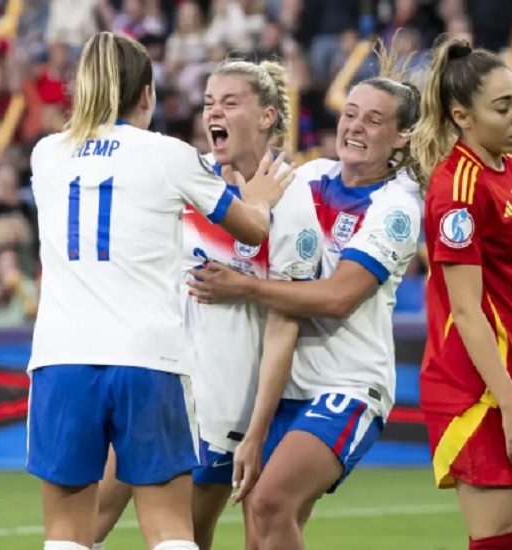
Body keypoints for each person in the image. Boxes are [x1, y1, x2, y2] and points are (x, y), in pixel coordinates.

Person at [25, 31, 291, 550]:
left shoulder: (45, 156)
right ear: (146, 94)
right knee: (170, 530)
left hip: (62, 359)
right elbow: (253, 230)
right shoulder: (169, 156)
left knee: (65, 536)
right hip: (149, 359)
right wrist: (259, 198)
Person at [187, 38, 423, 550]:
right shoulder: (311, 176)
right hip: (284, 386)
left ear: (403, 136)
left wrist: (242, 287)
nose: (355, 127)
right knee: (262, 526)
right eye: (351, 114)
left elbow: (339, 296)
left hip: (348, 386)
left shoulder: (397, 207)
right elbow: (249, 203)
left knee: (270, 501)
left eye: (374, 121)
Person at [93, 58, 321, 550]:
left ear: (265, 117)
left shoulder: (292, 199)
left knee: (189, 535)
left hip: (222, 403)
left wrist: (258, 431)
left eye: (230, 102)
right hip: (157, 376)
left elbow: (286, 324)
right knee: (92, 514)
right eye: (209, 102)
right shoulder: (190, 178)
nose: (213, 112)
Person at [411, 37, 512, 550]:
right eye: (502, 106)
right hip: (477, 388)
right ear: (461, 116)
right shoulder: (457, 190)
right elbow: (466, 312)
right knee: (494, 540)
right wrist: (511, 406)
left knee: (508, 539)